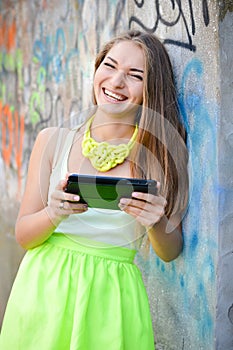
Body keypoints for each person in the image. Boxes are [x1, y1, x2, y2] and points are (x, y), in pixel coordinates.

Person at [0, 30, 188, 349]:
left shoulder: (155, 156)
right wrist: (54, 213)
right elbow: (23, 235)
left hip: (112, 301)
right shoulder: (52, 141)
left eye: (134, 76)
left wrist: (156, 222)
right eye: (110, 66)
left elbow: (170, 252)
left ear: (149, 90)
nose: (116, 82)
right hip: (43, 293)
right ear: (97, 68)